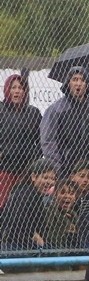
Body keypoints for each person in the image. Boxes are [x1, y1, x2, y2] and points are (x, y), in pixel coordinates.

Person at [39, 66, 89, 178]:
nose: (78, 83)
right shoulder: (55, 109)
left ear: (87, 84)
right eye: (75, 79)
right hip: (66, 168)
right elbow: (48, 140)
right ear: (68, 83)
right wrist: (58, 167)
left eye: (82, 80)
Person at [0, 74, 42, 209]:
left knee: (24, 205)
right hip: (5, 169)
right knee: (4, 204)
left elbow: (40, 139)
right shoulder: (1, 110)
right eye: (13, 87)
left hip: (27, 170)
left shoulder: (33, 113)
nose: (17, 91)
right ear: (7, 89)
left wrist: (35, 160)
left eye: (20, 87)